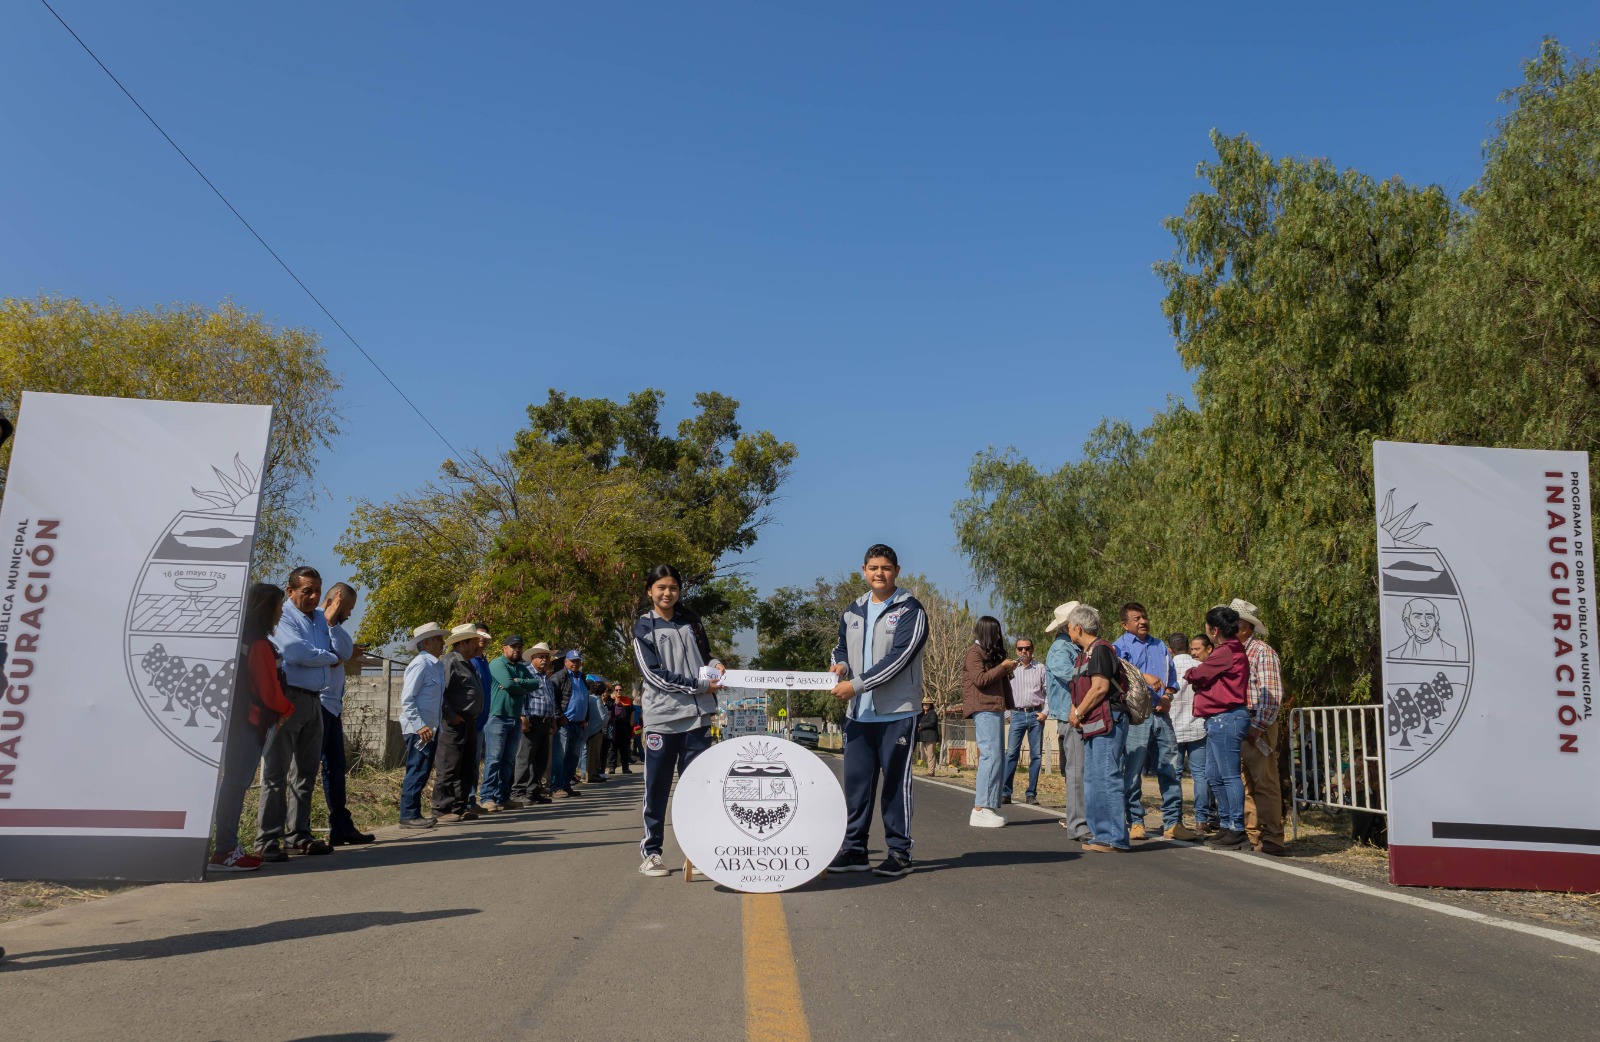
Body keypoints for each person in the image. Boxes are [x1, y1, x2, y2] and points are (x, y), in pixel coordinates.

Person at [826, 544, 929, 878]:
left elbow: (899, 658)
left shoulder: (911, 609)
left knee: (894, 784)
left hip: (897, 712)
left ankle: (899, 852)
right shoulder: (853, 610)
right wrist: (838, 665)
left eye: (885, 568)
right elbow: (840, 646)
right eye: (873, 567)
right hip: (859, 714)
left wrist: (855, 685)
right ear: (863, 570)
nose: (879, 573)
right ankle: (854, 850)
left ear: (896, 571)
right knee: (856, 784)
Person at [632, 564, 724, 877]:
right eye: (661, 588)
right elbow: (654, 676)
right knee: (656, 787)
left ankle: (695, 852)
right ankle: (652, 852)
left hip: (697, 718)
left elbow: (705, 656)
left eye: (673, 587)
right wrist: (699, 685)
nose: (667, 593)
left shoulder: (691, 621)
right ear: (650, 591)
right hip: (662, 719)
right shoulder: (643, 628)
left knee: (697, 787)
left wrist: (716, 665)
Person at [208, 583, 295, 871]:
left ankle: (227, 847)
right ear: (266, 608)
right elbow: (267, 690)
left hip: (235, 720)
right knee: (235, 784)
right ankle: (225, 851)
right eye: (279, 605)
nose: (282, 611)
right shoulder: (258, 643)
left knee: (233, 783)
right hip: (248, 723)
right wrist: (287, 708)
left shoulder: (241, 637)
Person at [258, 566, 338, 861]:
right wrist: (326, 658)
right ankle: (267, 839)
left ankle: (298, 835)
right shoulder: (284, 617)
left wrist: (323, 656)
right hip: (288, 699)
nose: (314, 597)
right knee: (276, 773)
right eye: (307, 591)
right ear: (290, 591)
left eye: (318, 590)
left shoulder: (319, 618)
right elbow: (295, 652)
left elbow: (338, 648)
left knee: (305, 772)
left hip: (316, 700)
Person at [1113, 603, 1193, 841]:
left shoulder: (1160, 646)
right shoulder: (1119, 646)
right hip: (1137, 716)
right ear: (1125, 624)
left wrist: (1168, 696)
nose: (1142, 621)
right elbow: (1117, 674)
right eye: (1136, 618)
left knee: (1170, 768)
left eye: (1144, 617)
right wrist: (1142, 675)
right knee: (1134, 770)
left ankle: (1173, 823)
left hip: (1161, 713)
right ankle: (1136, 822)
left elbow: (1172, 678)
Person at [1185, 606, 1251, 850]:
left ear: (1214, 630)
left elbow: (1199, 673)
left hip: (1227, 717)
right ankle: (1226, 824)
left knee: (1228, 774)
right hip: (1220, 718)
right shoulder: (1231, 649)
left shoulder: (1226, 651)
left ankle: (1236, 827)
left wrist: (1192, 673)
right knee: (1214, 774)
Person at [1065, 603, 1129, 853]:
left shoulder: (1101, 650)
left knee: (1106, 777)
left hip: (1107, 721)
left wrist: (1079, 711)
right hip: (1092, 723)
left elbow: (1100, 688)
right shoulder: (1084, 654)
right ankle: (1100, 833)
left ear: (1078, 628)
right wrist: (1076, 710)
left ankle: (1114, 836)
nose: (1068, 631)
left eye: (1069, 627)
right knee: (1092, 779)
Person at [318, 582, 374, 846]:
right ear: (336, 600)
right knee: (306, 771)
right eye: (347, 607)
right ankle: (297, 831)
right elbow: (341, 652)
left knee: (336, 767)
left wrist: (345, 653)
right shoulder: (316, 623)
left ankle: (341, 826)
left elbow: (342, 651)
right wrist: (342, 652)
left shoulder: (334, 628)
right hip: (317, 704)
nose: (350, 614)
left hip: (333, 706)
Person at [1232, 598, 1287, 856]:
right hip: (1242, 720)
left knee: (1263, 780)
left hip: (1256, 722)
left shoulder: (1262, 652)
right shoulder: (1237, 651)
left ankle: (1272, 835)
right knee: (1246, 781)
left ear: (1245, 627)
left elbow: (1271, 694)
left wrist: (1257, 726)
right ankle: (1254, 833)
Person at [1044, 601, 1091, 842]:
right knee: (1076, 771)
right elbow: (1072, 676)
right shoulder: (1061, 650)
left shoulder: (1074, 647)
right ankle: (1078, 825)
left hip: (1080, 715)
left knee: (1082, 771)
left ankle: (1083, 821)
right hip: (1071, 716)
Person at [963, 616, 1016, 828]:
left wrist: (1006, 668)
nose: (998, 636)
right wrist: (1003, 667)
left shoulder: (985, 653)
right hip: (983, 708)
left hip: (992, 707)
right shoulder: (974, 653)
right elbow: (981, 680)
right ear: (986, 632)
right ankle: (980, 808)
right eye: (995, 632)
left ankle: (989, 806)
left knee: (996, 757)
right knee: (990, 756)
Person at [398, 622, 449, 829]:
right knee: (417, 769)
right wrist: (420, 726)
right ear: (427, 642)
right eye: (438, 639)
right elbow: (408, 699)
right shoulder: (420, 664)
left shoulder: (435, 665)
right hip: (420, 729)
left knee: (423, 769)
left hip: (430, 728)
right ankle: (408, 814)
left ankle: (413, 812)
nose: (442, 643)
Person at [432, 624, 485, 822]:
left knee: (467, 765)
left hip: (469, 722)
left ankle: (459, 806)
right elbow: (441, 693)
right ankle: (442, 808)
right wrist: (451, 715)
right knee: (449, 765)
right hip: (454, 723)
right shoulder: (450, 662)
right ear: (462, 643)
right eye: (473, 641)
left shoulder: (469, 663)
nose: (477, 645)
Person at [483, 635, 539, 811]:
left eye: (519, 646)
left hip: (514, 718)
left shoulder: (520, 668)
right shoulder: (497, 664)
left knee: (508, 761)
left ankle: (503, 797)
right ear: (504, 648)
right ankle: (487, 797)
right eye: (513, 646)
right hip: (497, 717)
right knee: (494, 759)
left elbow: (536, 683)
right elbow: (508, 684)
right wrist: (520, 686)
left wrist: (519, 682)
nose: (517, 649)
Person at [1170, 632, 1214, 834]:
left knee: (1174, 775)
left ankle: (1175, 819)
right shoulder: (1200, 667)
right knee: (1200, 775)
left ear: (1170, 649)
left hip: (1173, 729)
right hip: (1197, 727)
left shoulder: (1166, 667)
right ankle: (1201, 820)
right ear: (1189, 647)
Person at [510, 642, 559, 804]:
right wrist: (523, 717)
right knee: (525, 758)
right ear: (533, 658)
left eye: (547, 657)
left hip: (545, 722)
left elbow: (550, 700)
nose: (545, 660)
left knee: (541, 759)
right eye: (541, 657)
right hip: (531, 722)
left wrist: (553, 721)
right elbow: (522, 696)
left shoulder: (546, 677)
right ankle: (518, 791)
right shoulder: (527, 673)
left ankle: (533, 791)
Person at [1002, 635, 1047, 806]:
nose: (1024, 651)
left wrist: (1045, 712)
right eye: (1020, 648)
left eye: (1027, 648)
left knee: (1036, 755)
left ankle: (1031, 794)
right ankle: (1006, 792)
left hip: (1036, 714)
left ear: (1032, 649)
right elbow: (1005, 692)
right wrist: (1008, 714)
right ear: (1016, 650)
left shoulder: (1041, 668)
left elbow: (1047, 692)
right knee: (1011, 753)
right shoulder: (1011, 669)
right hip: (1017, 714)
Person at [548, 650, 591, 798]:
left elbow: (585, 698)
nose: (575, 663)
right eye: (572, 661)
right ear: (566, 661)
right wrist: (559, 716)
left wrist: (586, 717)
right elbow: (553, 699)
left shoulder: (582, 677)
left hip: (578, 723)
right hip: (564, 723)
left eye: (577, 661)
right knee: (559, 756)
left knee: (573, 757)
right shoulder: (560, 676)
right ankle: (556, 787)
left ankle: (566, 785)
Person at [582, 676, 608, 783]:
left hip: (588, 730)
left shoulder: (589, 698)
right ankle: (592, 775)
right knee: (594, 754)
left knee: (586, 753)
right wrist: (607, 711)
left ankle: (585, 773)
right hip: (596, 730)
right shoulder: (597, 700)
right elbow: (603, 717)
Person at [606, 683, 634, 775]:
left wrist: (631, 725)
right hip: (614, 729)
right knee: (613, 749)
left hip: (625, 729)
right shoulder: (611, 700)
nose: (619, 691)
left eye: (620, 690)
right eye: (617, 690)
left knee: (625, 749)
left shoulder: (628, 700)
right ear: (614, 691)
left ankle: (625, 768)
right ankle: (612, 768)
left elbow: (632, 713)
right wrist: (615, 704)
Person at [914, 698, 940, 777]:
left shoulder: (932, 713)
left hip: (931, 736)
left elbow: (932, 723)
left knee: (930, 754)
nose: (925, 705)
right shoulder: (922, 714)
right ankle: (930, 770)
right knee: (927, 754)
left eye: (927, 704)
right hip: (924, 737)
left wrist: (921, 725)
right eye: (924, 704)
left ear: (930, 705)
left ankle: (931, 772)